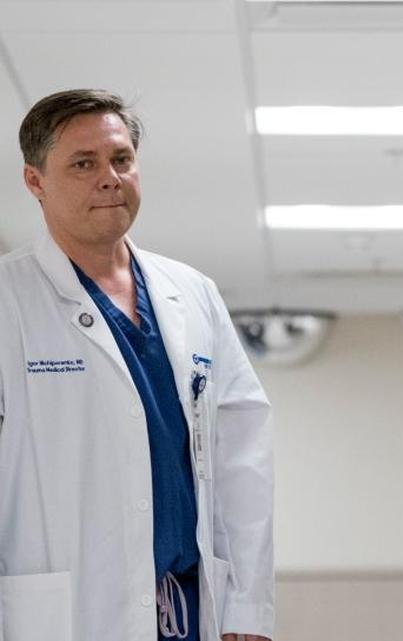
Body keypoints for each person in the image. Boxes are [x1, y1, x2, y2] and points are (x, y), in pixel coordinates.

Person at [0, 89, 274, 641]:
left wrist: (249, 606)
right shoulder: (9, 298)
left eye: (121, 159)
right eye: (84, 164)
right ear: (35, 181)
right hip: (62, 612)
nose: (109, 177)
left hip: (189, 607)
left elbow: (242, 459)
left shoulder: (192, 293)